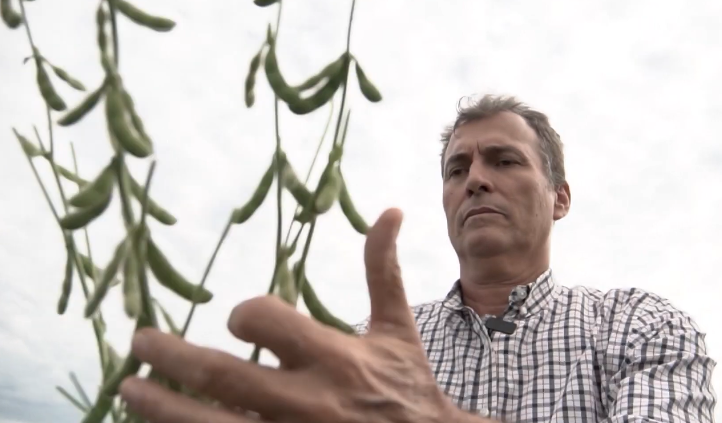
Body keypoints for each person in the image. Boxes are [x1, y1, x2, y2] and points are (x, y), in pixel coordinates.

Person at [117, 95, 717, 423]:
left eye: (504, 161)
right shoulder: (364, 359)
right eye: (458, 169)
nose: (475, 180)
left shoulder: (639, 325)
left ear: (559, 198)